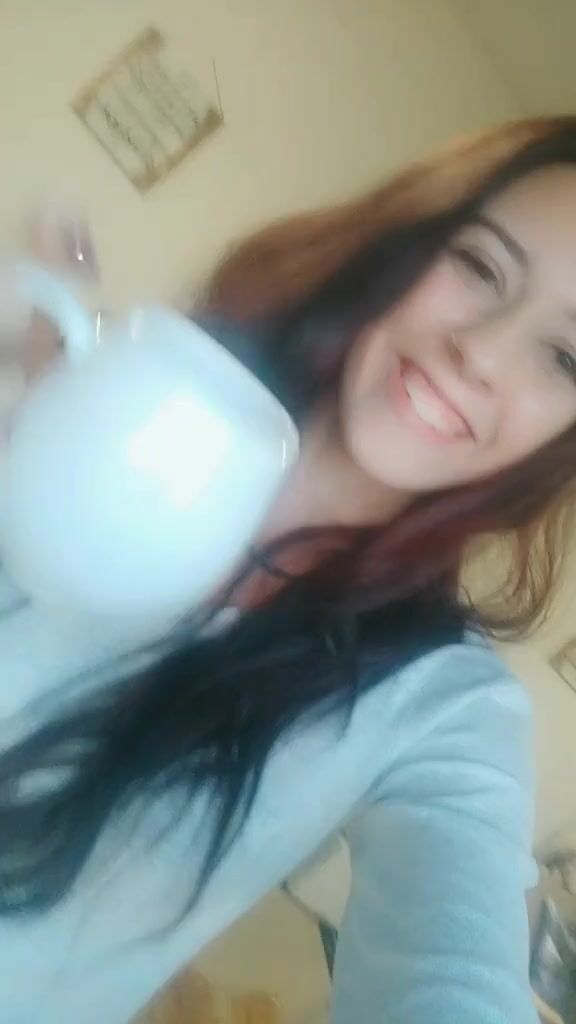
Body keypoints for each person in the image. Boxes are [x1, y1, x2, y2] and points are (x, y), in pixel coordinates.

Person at [3, 116, 576, 1024]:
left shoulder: (446, 709)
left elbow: (455, 981)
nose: (481, 349)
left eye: (565, 357)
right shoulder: (130, 393)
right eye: (480, 266)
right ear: (412, 242)